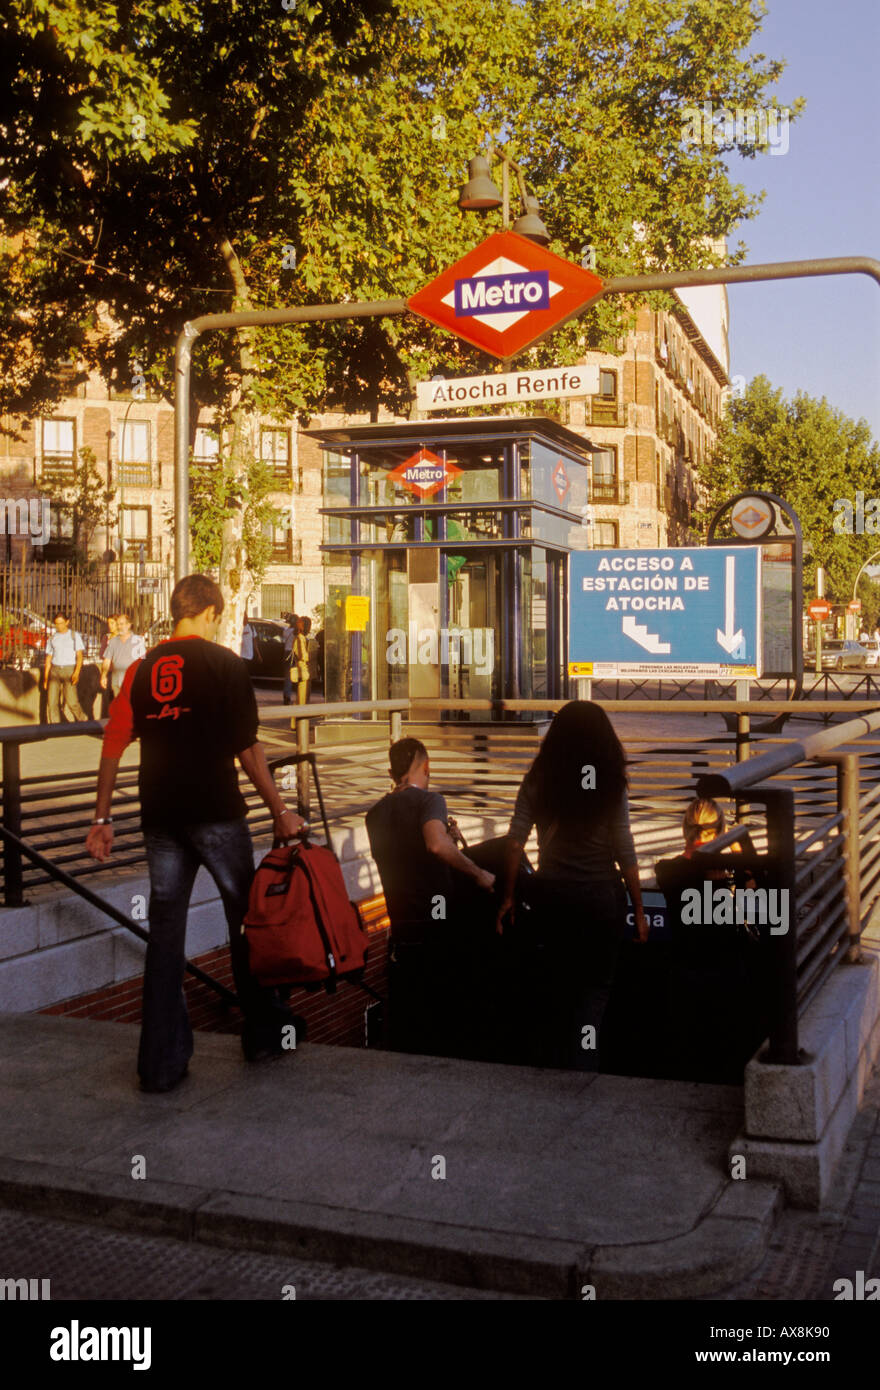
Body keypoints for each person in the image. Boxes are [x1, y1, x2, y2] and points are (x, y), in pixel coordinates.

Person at [85, 574, 305, 1093]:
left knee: (165, 937)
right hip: (217, 813)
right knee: (246, 922)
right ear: (209, 613)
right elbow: (248, 748)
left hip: (160, 816)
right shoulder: (226, 666)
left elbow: (113, 744)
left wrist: (100, 819)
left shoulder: (139, 669)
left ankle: (161, 1064)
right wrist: (279, 810)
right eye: (220, 616)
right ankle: (265, 1034)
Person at [498, 701, 647, 1071]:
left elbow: (515, 841)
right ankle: (584, 1068)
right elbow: (624, 846)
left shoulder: (538, 779)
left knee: (555, 986)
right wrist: (640, 908)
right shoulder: (610, 781)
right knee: (594, 991)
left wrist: (509, 896)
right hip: (600, 899)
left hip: (552, 898)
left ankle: (549, 1069)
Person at [366, 737, 495, 1057]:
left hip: (402, 931)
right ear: (426, 766)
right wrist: (479, 873)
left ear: (391, 771)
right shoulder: (430, 801)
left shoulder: (375, 814)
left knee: (409, 1018)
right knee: (445, 1014)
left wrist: (448, 841)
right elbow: (434, 845)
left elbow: (406, 852)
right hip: (437, 927)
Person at [654, 798, 766, 1084]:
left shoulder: (667, 870)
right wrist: (738, 854)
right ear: (720, 832)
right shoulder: (732, 872)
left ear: (685, 830)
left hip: (684, 969)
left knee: (689, 1048)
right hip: (726, 970)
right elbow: (763, 906)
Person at [44, 612, 87, 723]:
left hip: (69, 669)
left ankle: (83, 721)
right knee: (52, 702)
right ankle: (55, 727)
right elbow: (48, 658)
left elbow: (79, 656)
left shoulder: (74, 636)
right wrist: (45, 678)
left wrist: (77, 672)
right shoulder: (53, 638)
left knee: (72, 701)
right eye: (57, 624)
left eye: (61, 623)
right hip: (55, 670)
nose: (59, 626)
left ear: (67, 622)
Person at [100, 610, 146, 700]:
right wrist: (103, 676)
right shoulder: (112, 641)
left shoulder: (138, 640)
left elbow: (143, 662)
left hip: (132, 682)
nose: (119, 627)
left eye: (121, 624)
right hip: (116, 682)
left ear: (128, 625)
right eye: (117, 624)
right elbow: (107, 661)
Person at [293, 615, 310, 705]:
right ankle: (299, 716)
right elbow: (302, 655)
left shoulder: (301, 637)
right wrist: (310, 655)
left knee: (303, 695)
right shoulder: (300, 637)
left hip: (303, 669)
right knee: (302, 696)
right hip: (302, 669)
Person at [281, 613, 298, 705]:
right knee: (297, 676)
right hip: (294, 653)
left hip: (286, 653)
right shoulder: (297, 633)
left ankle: (286, 696)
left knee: (287, 677)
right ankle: (299, 696)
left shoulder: (285, 631)